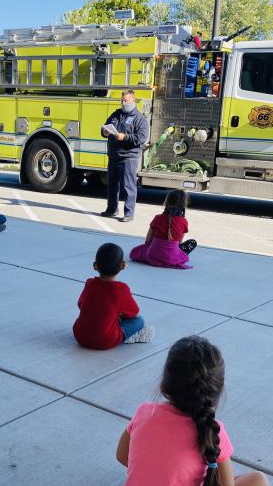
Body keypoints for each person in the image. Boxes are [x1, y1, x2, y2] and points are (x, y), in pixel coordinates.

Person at [111, 335, 270, 486]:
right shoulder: (213, 431)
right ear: (218, 391)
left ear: (164, 385)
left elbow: (122, 456)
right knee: (259, 481)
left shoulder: (145, 411)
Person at [73, 242, 154, 349]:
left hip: (80, 336)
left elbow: (80, 305)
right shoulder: (121, 289)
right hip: (105, 340)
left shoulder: (89, 284)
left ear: (95, 265)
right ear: (123, 265)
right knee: (139, 321)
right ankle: (128, 336)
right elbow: (134, 313)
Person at [100, 90, 149, 222]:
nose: (123, 103)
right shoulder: (116, 114)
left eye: (125, 101)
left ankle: (128, 213)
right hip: (114, 155)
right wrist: (104, 131)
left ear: (133, 101)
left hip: (129, 157)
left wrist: (125, 137)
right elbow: (106, 127)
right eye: (121, 101)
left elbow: (141, 138)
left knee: (128, 186)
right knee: (112, 185)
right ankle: (111, 209)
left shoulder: (139, 119)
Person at [130, 189, 197, 269]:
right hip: (171, 258)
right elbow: (179, 242)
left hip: (153, 255)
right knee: (192, 242)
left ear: (167, 202)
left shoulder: (157, 218)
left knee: (135, 252)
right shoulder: (184, 221)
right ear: (183, 205)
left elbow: (148, 240)